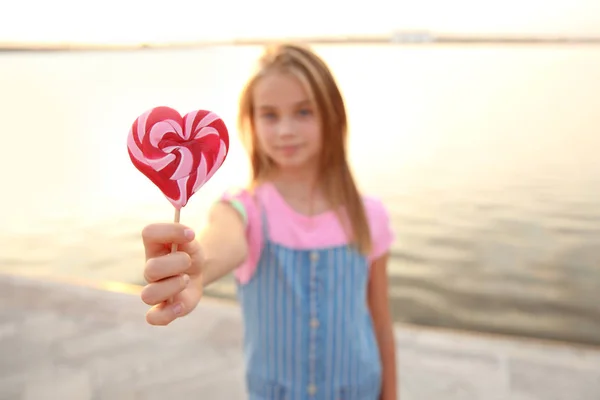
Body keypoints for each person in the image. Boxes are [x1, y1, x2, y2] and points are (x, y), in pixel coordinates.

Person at [140, 43, 398, 400]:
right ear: (252, 122)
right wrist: (195, 268)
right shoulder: (245, 209)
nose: (285, 130)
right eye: (270, 115)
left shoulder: (369, 215)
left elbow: (381, 323)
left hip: (358, 389)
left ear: (333, 116)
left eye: (304, 112)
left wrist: (391, 394)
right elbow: (222, 242)